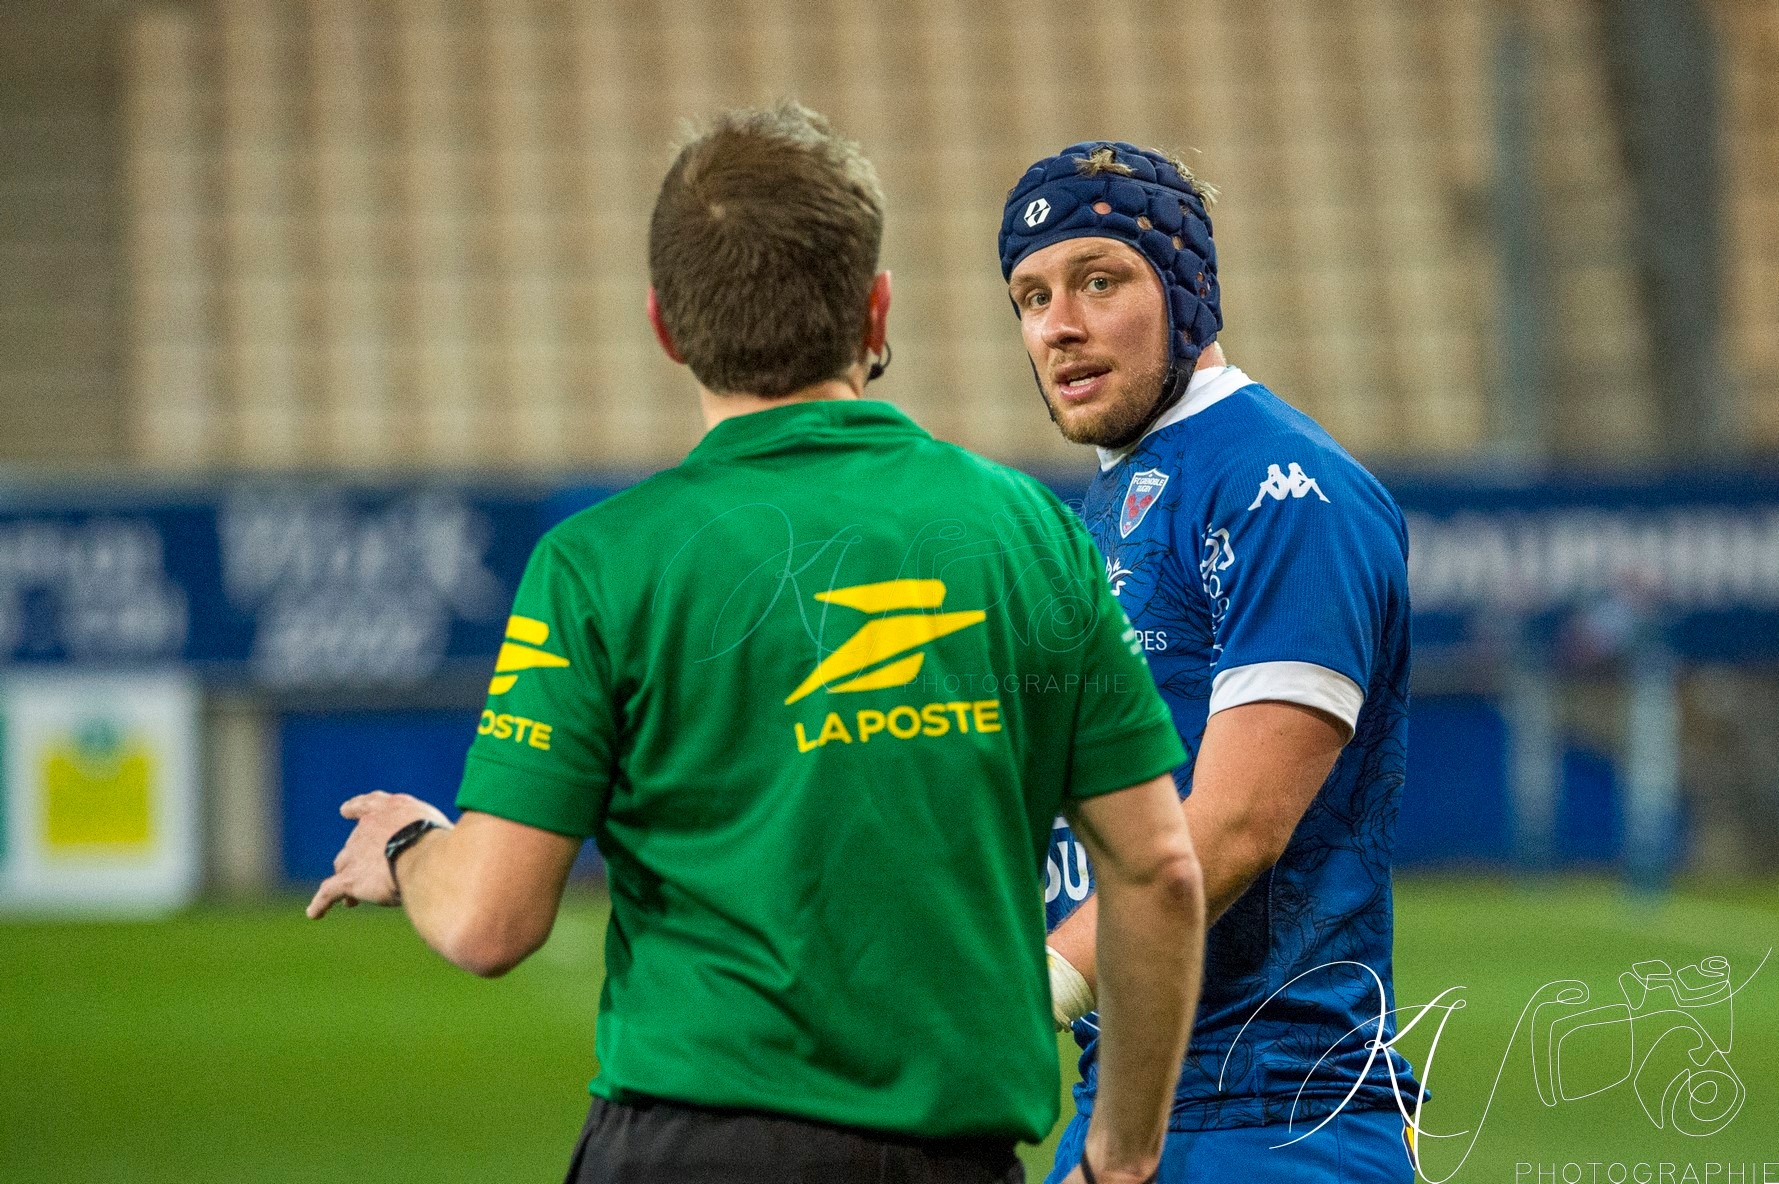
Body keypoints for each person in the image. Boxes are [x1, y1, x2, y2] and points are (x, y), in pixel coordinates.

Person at [308, 105, 1207, 1184]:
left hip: (684, 1149)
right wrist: (1123, 1148)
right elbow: (1157, 868)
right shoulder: (1030, 535)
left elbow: (493, 920)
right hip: (952, 1159)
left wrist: (409, 845)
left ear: (665, 327)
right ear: (875, 308)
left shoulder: (597, 565)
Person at [997, 142, 1419, 1183]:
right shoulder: (1102, 507)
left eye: (1101, 279)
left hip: (1270, 1109)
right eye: (1031, 294)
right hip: (1129, 1100)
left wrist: (1031, 984)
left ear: (1189, 288)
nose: (1060, 323)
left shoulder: (1287, 487)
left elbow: (1234, 824)